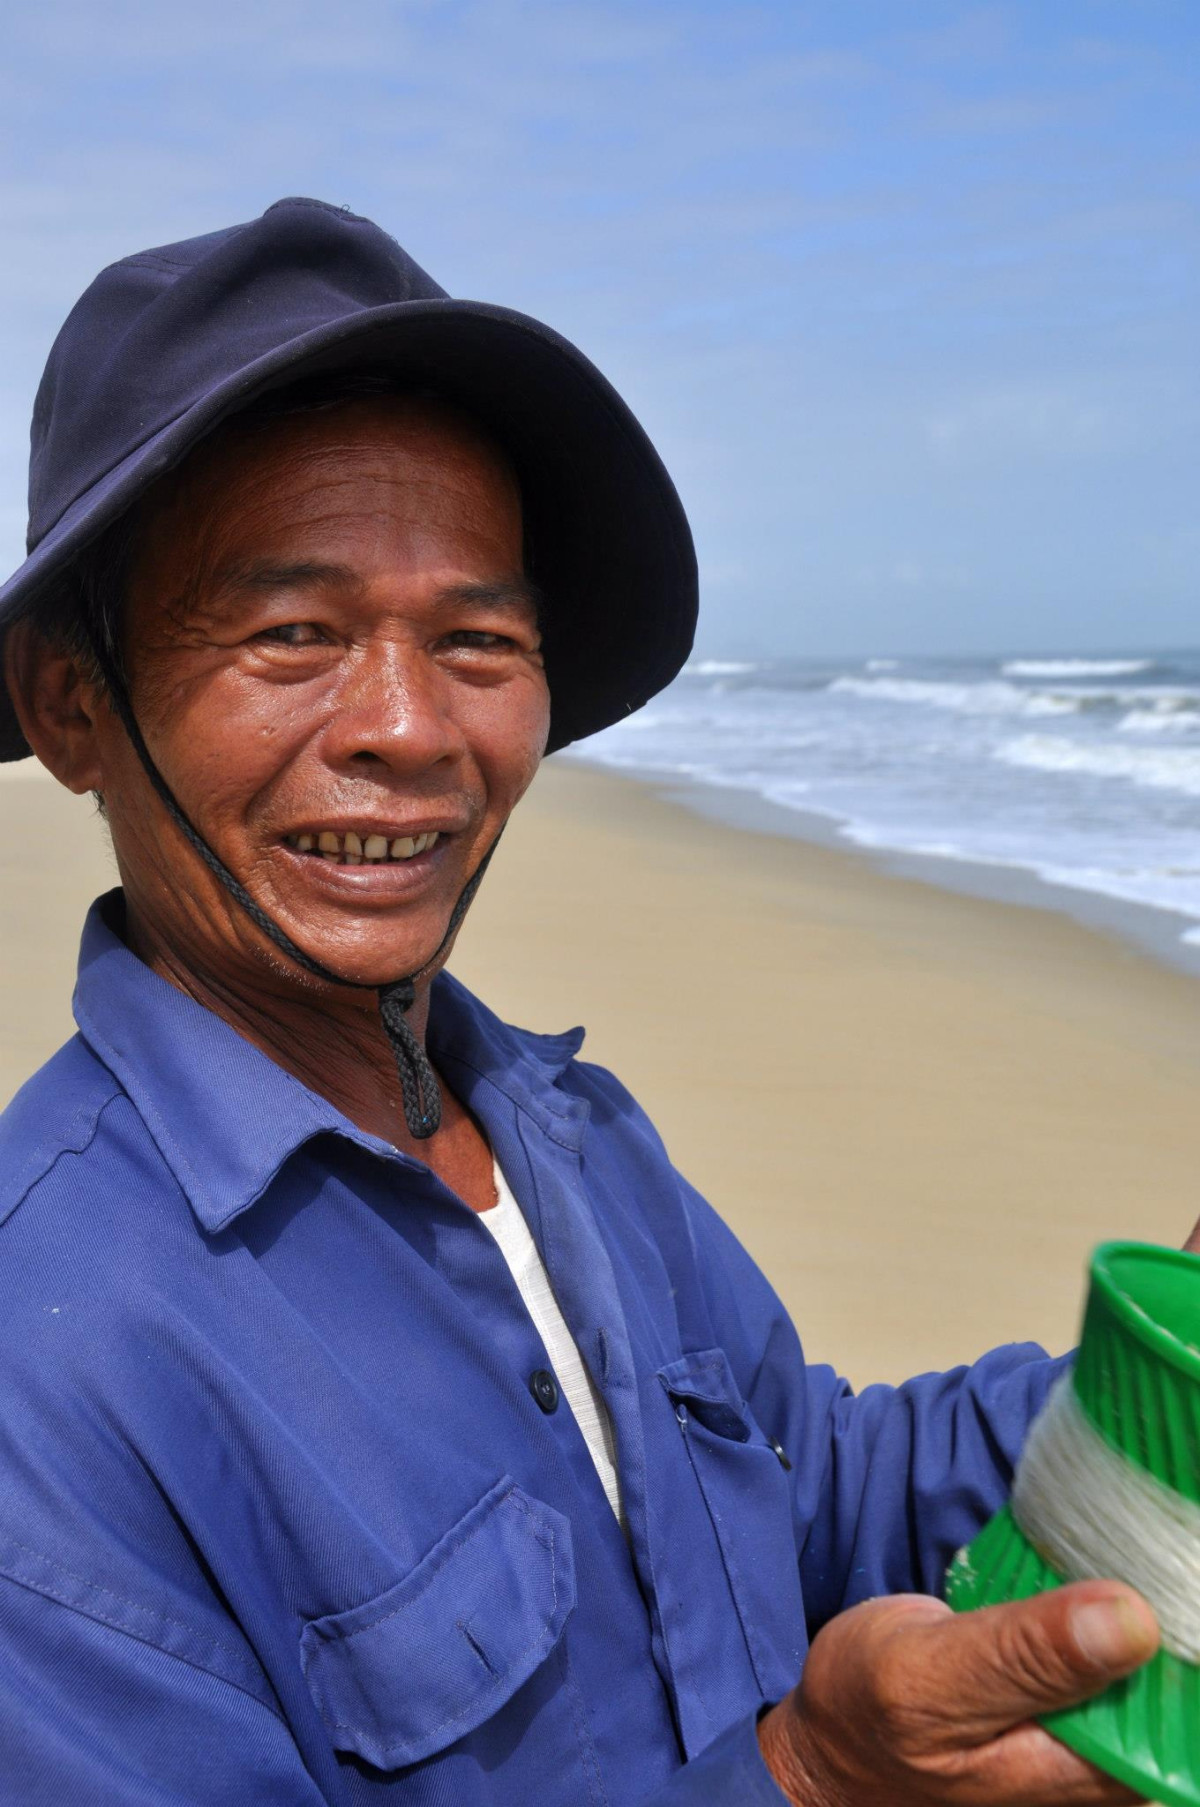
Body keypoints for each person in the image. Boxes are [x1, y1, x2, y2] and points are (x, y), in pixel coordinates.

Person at [0, 198, 1160, 1805]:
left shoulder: (565, 1130)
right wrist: (808, 1784)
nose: (410, 727)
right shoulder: (46, 1367)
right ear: (73, 705)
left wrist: (1139, 1384)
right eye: (294, 635)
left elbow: (803, 1487)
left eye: (478, 637)